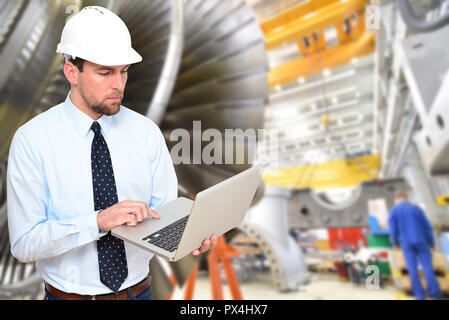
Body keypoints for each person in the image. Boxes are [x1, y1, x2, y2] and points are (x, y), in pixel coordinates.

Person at [6, 6, 217, 300]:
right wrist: (98, 222)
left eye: (124, 71)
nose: (118, 84)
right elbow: (24, 243)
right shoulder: (32, 141)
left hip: (140, 294)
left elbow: (165, 214)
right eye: (104, 73)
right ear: (72, 72)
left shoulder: (145, 133)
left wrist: (189, 235)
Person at [388, 189, 442, 300]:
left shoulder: (394, 211)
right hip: (422, 241)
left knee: (412, 269)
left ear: (396, 199)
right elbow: (427, 227)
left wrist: (395, 243)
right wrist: (431, 242)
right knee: (427, 267)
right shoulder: (417, 209)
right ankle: (435, 293)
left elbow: (393, 230)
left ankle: (420, 295)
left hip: (406, 243)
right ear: (406, 198)